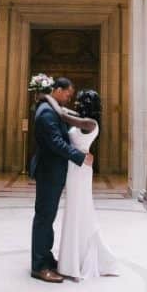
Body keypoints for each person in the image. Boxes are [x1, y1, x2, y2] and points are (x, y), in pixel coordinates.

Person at [30, 77, 94, 283]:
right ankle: (39, 267)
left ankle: (46, 258)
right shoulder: (46, 112)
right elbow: (56, 143)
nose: (69, 97)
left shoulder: (51, 109)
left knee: (48, 218)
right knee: (44, 219)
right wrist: (80, 157)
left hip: (53, 172)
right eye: (68, 93)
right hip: (48, 172)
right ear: (57, 90)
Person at [56, 89, 120, 281]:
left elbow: (67, 117)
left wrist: (52, 102)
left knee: (79, 209)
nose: (76, 103)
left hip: (81, 169)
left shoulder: (90, 124)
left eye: (80, 101)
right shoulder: (84, 120)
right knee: (73, 209)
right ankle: (71, 258)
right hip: (74, 166)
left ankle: (78, 260)